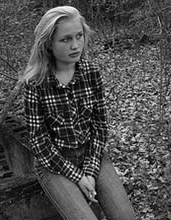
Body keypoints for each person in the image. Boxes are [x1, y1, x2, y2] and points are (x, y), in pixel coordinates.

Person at [23, 6, 136, 220]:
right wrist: (78, 177)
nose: (75, 45)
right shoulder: (35, 83)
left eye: (79, 36)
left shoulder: (91, 73)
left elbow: (100, 126)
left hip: (92, 155)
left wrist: (91, 172)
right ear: (48, 43)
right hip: (54, 164)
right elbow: (39, 142)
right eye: (65, 40)